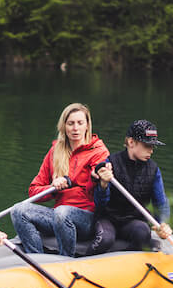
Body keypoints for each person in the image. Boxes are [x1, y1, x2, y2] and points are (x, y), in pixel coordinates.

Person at [11, 102, 109, 256]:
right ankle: (37, 259)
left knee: (62, 212)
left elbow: (102, 193)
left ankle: (65, 260)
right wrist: (52, 188)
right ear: (64, 126)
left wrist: (98, 177)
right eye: (71, 123)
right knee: (18, 210)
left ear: (87, 125)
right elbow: (33, 191)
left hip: (87, 219)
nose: (75, 128)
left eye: (79, 123)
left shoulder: (98, 152)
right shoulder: (55, 152)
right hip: (58, 216)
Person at [91, 120, 173, 253]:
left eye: (153, 146)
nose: (151, 151)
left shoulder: (153, 169)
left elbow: (161, 203)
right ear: (131, 142)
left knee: (142, 233)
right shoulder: (110, 163)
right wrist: (104, 184)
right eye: (147, 145)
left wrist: (162, 223)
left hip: (133, 221)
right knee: (105, 239)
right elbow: (99, 204)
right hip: (108, 218)